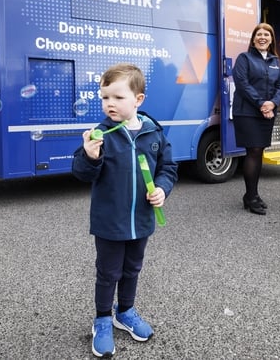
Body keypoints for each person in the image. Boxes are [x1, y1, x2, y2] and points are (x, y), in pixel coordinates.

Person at [72, 63, 179, 358]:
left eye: (118, 98)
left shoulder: (153, 132)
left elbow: (168, 168)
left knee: (132, 268)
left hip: (141, 219)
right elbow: (82, 173)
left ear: (138, 100)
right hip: (109, 221)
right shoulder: (100, 134)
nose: (110, 104)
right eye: (105, 98)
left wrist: (162, 189)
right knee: (108, 272)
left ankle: (126, 311)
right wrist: (90, 157)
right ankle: (103, 319)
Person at [232, 23, 280, 215]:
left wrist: (272, 103)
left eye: (266, 34)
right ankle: (251, 196)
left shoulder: (275, 61)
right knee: (253, 150)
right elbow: (242, 84)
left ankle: (251, 195)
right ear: (253, 39)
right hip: (247, 112)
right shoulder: (244, 58)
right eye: (259, 34)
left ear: (271, 39)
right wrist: (262, 104)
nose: (262, 37)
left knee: (259, 151)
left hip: (267, 112)